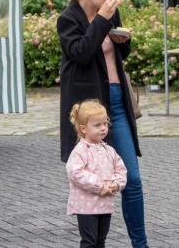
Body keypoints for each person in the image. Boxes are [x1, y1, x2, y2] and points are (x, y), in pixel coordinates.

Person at [57, 0, 149, 248]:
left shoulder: (110, 10)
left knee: (131, 180)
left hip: (117, 103)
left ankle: (140, 244)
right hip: (89, 108)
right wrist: (101, 22)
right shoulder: (68, 19)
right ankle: (94, 242)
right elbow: (81, 53)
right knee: (92, 180)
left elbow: (120, 52)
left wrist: (122, 40)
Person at [66, 99, 127, 248]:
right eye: (97, 125)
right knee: (89, 242)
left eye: (105, 123)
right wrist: (99, 186)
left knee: (100, 241)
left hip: (105, 205)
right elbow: (75, 172)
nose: (103, 128)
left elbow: (121, 169)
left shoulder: (109, 150)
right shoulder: (81, 151)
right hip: (86, 207)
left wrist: (116, 184)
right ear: (84, 129)